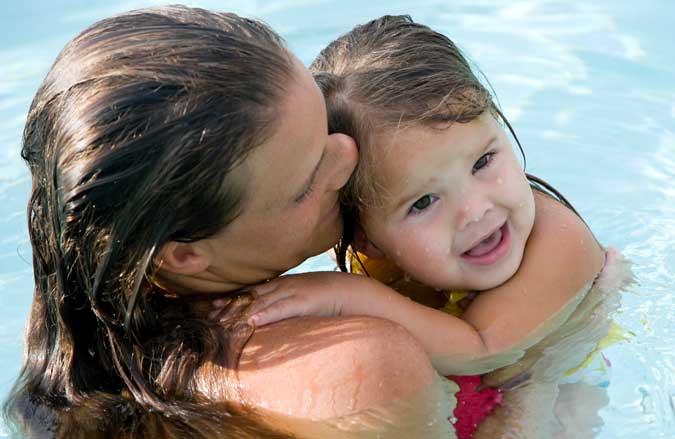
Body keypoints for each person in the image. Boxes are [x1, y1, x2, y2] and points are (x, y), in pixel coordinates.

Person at [3, 6, 458, 438]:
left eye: (323, 122)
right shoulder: (359, 369)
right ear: (184, 255)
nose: (348, 154)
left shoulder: (69, 382)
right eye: (305, 183)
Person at [221, 15, 632, 439]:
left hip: (558, 383)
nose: (474, 211)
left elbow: (483, 350)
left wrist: (344, 295)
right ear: (367, 236)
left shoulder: (559, 241)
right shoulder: (375, 250)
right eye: (423, 202)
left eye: (483, 162)